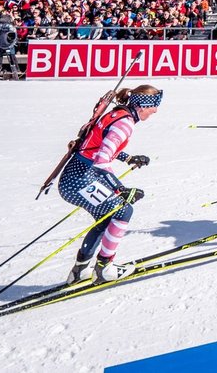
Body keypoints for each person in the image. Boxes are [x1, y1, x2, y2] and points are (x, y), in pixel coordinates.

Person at [57, 85, 161, 284]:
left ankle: (80, 271)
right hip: (81, 179)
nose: (155, 111)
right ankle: (104, 268)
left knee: (106, 217)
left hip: (75, 175)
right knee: (123, 211)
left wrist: (128, 158)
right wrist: (121, 189)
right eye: (153, 107)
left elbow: (98, 144)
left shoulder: (118, 114)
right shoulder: (125, 124)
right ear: (142, 106)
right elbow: (102, 161)